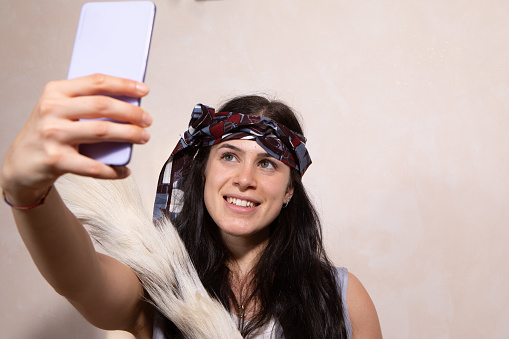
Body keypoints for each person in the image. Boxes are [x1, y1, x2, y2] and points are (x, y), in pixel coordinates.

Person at [1, 74, 382, 338]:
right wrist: (28, 192)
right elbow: (80, 279)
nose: (244, 178)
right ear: (202, 174)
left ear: (288, 192)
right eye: (230, 156)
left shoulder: (342, 296)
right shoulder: (159, 284)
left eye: (266, 163)